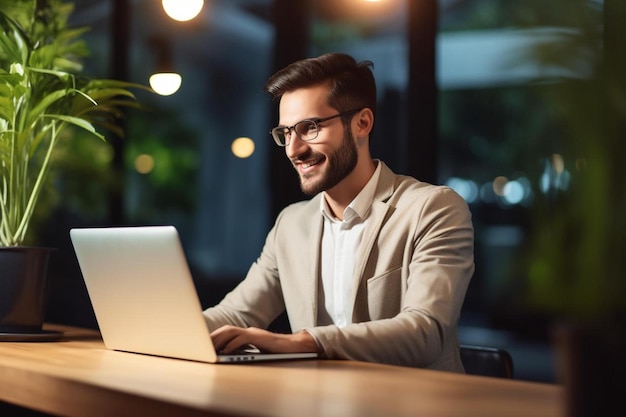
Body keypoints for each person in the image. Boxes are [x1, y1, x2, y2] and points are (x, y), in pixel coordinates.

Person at [203, 52, 474, 372]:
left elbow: (424, 332)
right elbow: (237, 314)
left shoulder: (433, 209)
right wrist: (164, 331)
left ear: (362, 123)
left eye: (310, 127)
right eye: (286, 133)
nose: (293, 149)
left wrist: (302, 342)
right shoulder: (291, 224)